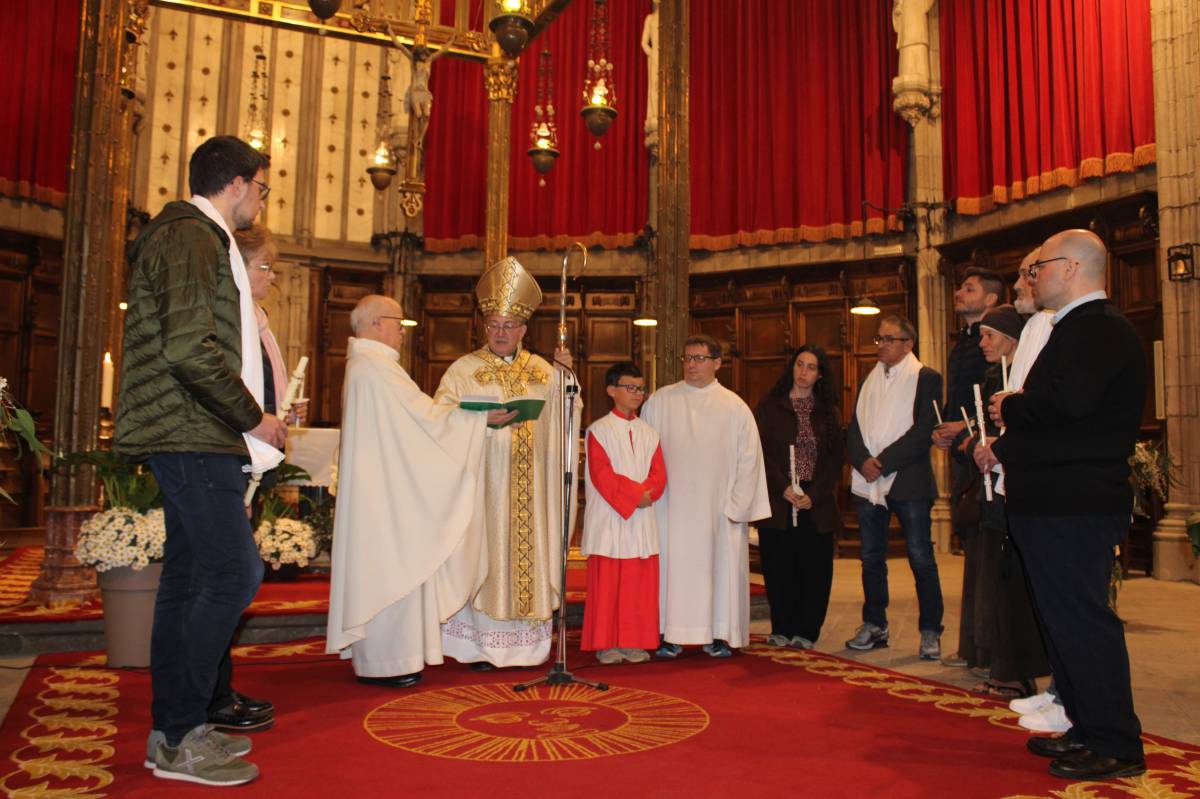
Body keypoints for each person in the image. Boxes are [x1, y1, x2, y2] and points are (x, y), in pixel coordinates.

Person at [115, 135, 284, 787]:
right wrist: (254, 415)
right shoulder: (190, 235)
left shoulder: (189, 235)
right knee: (235, 571)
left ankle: (174, 730)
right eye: (261, 188)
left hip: (190, 428)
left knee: (187, 580)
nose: (260, 201)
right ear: (238, 183)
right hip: (192, 429)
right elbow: (191, 347)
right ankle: (181, 732)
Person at [976, 229, 1146, 781]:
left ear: (1071, 268)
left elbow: (1068, 406)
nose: (1032, 276)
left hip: (1074, 504)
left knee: (1082, 622)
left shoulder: (1100, 330)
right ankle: (1086, 726)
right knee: (1060, 623)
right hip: (1052, 501)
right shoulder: (1074, 328)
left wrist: (1012, 407)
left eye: (1038, 267)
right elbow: (1061, 405)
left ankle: (1117, 742)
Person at [327, 295, 510, 686]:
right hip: (387, 497)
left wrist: (467, 420)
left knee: (392, 566)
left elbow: (419, 420)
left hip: (386, 488)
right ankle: (388, 662)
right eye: (398, 322)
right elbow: (426, 423)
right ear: (377, 323)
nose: (402, 332)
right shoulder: (374, 369)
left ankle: (388, 659)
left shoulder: (369, 367)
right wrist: (477, 420)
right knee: (394, 566)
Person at [433, 256, 580, 669]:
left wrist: (568, 383)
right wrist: (478, 420)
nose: (501, 333)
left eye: (509, 326)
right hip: (484, 489)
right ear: (483, 327)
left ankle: (527, 648)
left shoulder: (544, 371)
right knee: (484, 554)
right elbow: (437, 421)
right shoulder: (462, 371)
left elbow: (567, 421)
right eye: (493, 325)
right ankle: (478, 645)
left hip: (534, 492)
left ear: (524, 329)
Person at [640, 334, 770, 659]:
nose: (691, 365)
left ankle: (718, 634)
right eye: (687, 358)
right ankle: (669, 634)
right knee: (673, 571)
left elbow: (750, 460)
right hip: (670, 509)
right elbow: (643, 451)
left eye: (699, 358)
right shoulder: (660, 402)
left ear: (717, 363)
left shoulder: (734, 407)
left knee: (719, 572)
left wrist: (737, 507)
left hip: (718, 511)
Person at [954, 304, 1047, 701]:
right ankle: (998, 662)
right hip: (991, 490)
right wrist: (976, 444)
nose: (983, 342)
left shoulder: (1026, 375)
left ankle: (1016, 670)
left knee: (1010, 581)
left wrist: (990, 445)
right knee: (992, 577)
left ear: (1013, 339)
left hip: (1017, 488)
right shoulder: (994, 375)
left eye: (990, 335)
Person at [845, 315, 945, 660]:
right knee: (871, 558)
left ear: (908, 344)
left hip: (908, 482)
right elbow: (854, 427)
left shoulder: (927, 378)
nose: (882, 345)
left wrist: (882, 462)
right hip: (868, 483)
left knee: (921, 557)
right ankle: (875, 625)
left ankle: (931, 631)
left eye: (889, 339)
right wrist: (863, 461)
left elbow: (924, 431)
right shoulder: (867, 381)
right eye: (879, 339)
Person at [932, 267, 1003, 669]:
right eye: (959, 287)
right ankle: (972, 644)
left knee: (987, 549)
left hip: (989, 452)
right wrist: (946, 430)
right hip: (964, 455)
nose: (958, 293)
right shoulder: (963, 343)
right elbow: (959, 399)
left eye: (968, 288)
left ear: (991, 300)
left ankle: (988, 647)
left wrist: (970, 428)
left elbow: (998, 398)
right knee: (972, 548)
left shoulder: (996, 343)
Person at [753, 345, 844, 649]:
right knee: (779, 566)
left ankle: (806, 631)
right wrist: (783, 487)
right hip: (779, 496)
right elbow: (760, 454)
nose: (804, 372)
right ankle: (782, 627)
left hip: (814, 499)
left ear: (820, 374)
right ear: (792, 367)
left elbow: (834, 460)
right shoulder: (769, 405)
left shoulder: (828, 410)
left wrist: (813, 495)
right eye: (800, 365)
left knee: (814, 568)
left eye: (811, 367)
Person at [580, 362, 666, 665]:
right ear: (611, 390)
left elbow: (659, 474)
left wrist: (648, 494)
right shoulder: (598, 431)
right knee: (609, 585)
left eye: (640, 388)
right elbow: (602, 474)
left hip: (641, 520)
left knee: (638, 585)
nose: (637, 394)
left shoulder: (650, 432)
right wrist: (636, 496)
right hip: (610, 518)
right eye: (630, 387)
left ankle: (634, 641)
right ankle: (606, 644)